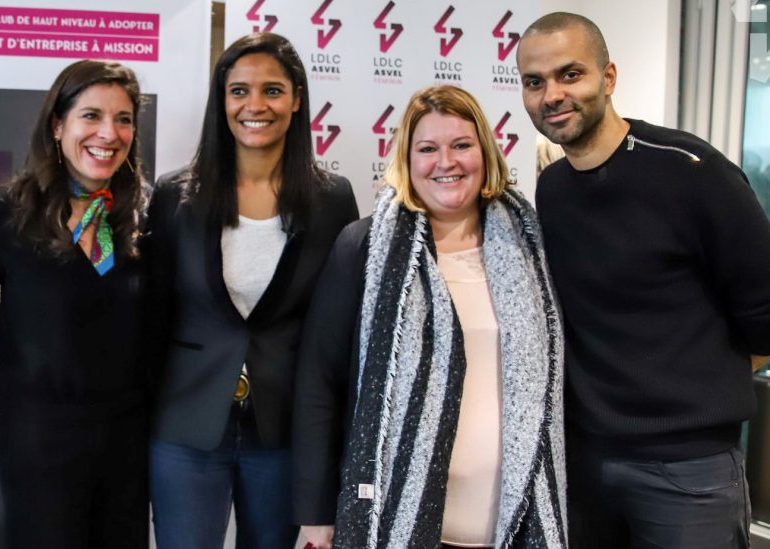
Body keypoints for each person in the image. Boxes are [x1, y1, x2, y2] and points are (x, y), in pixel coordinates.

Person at [516, 12, 770, 549]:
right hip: (585, 466)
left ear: (608, 79)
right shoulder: (553, 190)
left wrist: (694, 395)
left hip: (689, 475)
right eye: (535, 82)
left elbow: (765, 318)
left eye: (570, 74)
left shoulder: (693, 171)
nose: (552, 95)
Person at [292, 85, 566, 549]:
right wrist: (317, 515)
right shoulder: (361, 248)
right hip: (395, 521)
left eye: (462, 145)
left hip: (513, 525)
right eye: (428, 149)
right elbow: (320, 383)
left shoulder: (530, 247)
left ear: (486, 151)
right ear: (407, 158)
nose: (446, 162)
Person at [144, 32, 358, 549]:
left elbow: (340, 330)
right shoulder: (176, 194)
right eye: (239, 91)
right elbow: (152, 314)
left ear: (298, 98)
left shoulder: (333, 199)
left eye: (272, 90)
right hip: (186, 424)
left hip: (285, 431)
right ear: (222, 101)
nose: (254, 105)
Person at [0, 60, 149, 548]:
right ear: (57, 125)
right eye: (91, 116)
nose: (109, 133)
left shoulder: (142, 219)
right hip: (39, 453)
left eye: (124, 119)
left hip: (125, 457)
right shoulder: (7, 210)